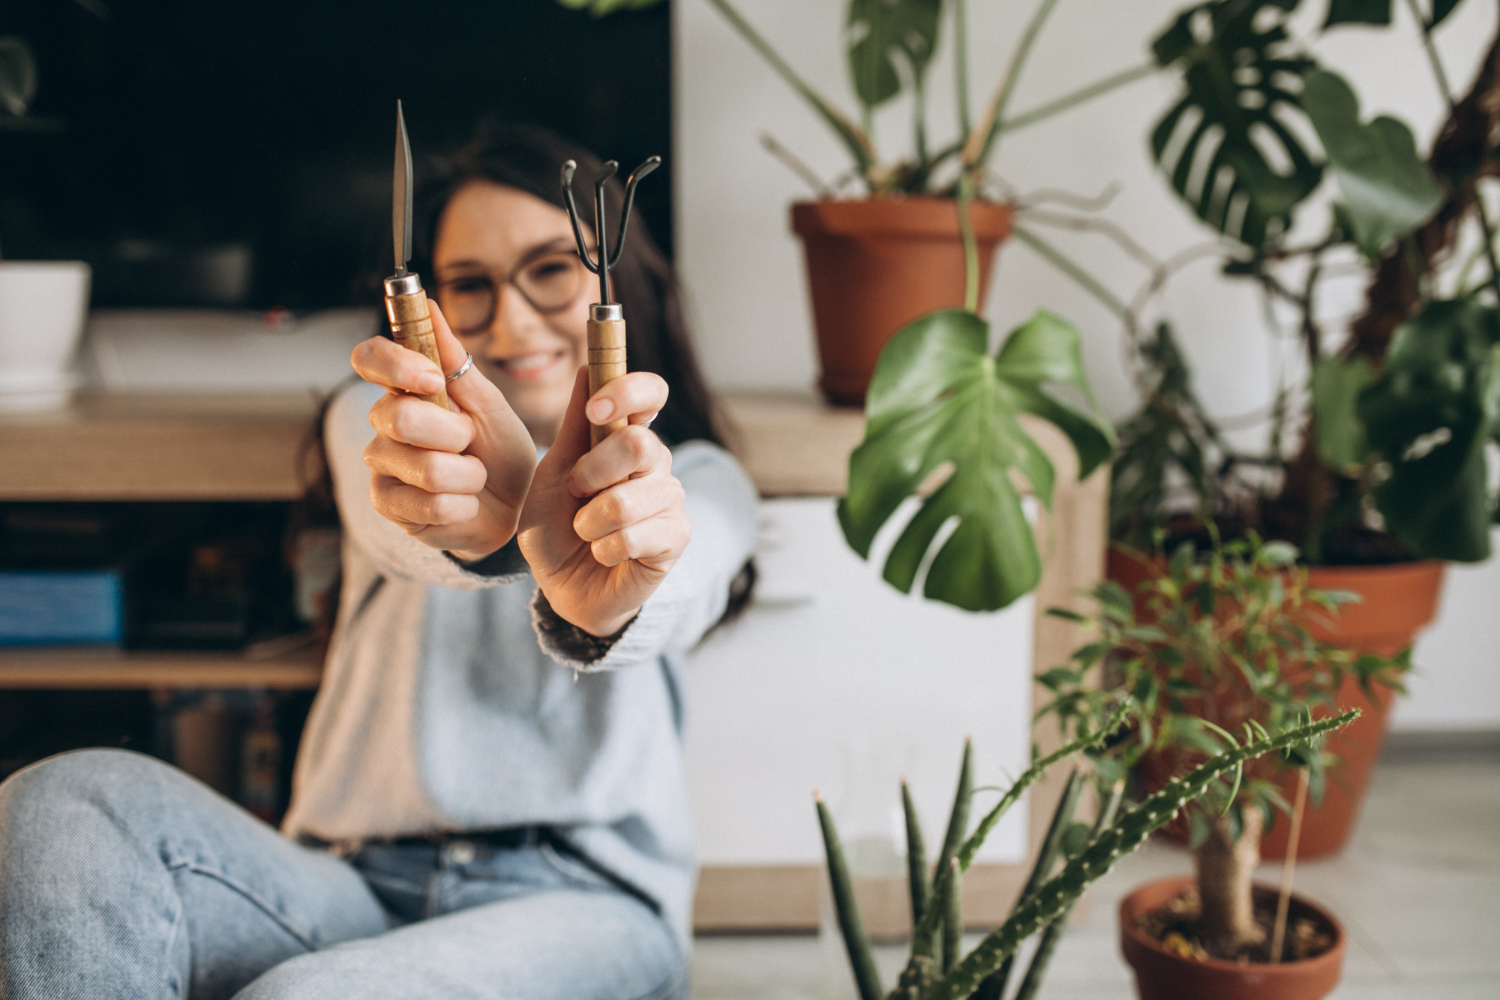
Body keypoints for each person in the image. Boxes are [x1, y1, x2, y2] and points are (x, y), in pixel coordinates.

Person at [0, 124, 757, 999]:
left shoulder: (698, 475)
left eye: (550, 268)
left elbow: (685, 574)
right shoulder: (376, 427)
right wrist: (488, 535)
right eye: (470, 286)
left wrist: (604, 601)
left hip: (584, 902)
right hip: (347, 883)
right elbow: (401, 526)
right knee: (58, 811)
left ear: (616, 279)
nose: (512, 320)